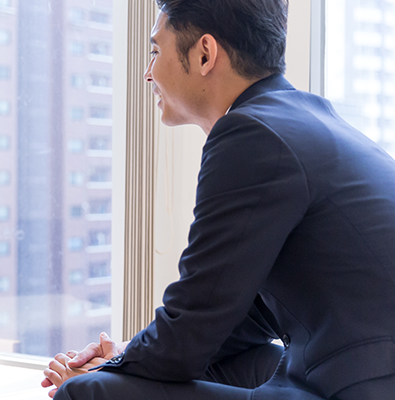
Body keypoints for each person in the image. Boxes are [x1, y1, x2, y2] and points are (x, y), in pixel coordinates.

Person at [42, 0, 395, 399]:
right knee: (211, 363)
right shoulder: (304, 117)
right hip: (353, 372)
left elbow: (192, 326)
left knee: (87, 393)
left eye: (156, 51)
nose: (147, 73)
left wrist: (106, 372)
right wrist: (125, 356)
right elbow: (237, 319)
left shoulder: (252, 134)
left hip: (356, 388)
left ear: (205, 53)